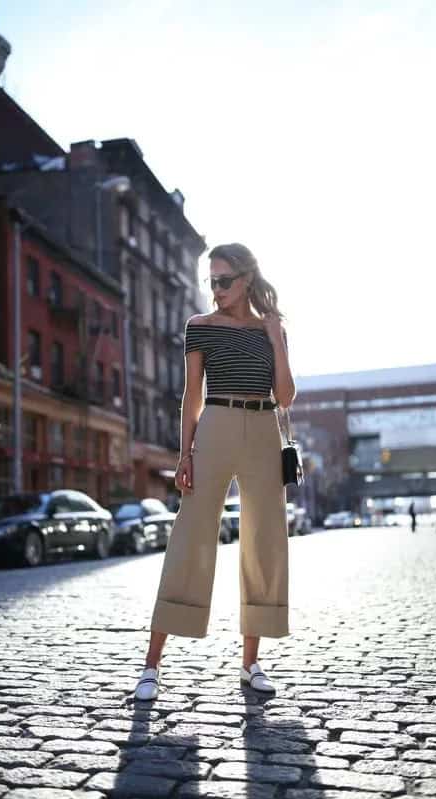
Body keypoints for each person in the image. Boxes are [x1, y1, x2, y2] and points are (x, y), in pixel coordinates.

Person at [134, 243, 296, 700]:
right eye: (212, 282)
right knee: (190, 537)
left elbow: (285, 397)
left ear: (246, 278)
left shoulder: (270, 329)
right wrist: (185, 454)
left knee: (265, 543)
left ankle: (251, 663)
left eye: (225, 280)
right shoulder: (199, 327)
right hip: (217, 424)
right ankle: (151, 666)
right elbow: (192, 396)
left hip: (265, 427)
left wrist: (277, 339)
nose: (218, 290)